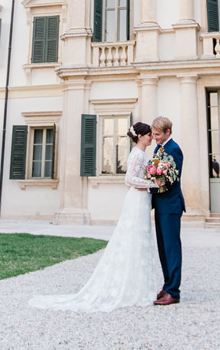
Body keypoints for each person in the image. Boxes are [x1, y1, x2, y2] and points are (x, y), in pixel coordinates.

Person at [29, 122, 162, 312]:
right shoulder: (137, 154)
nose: (151, 137)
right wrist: (154, 184)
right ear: (140, 136)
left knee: (139, 240)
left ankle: (138, 287)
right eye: (149, 134)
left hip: (140, 199)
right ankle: (133, 288)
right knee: (133, 238)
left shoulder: (142, 154)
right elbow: (129, 179)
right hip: (137, 199)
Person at [151, 115, 184, 305]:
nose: (155, 138)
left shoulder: (174, 149)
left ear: (167, 132)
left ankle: (174, 291)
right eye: (153, 135)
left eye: (157, 134)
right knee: (163, 248)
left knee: (172, 248)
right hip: (160, 205)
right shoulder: (159, 148)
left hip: (171, 205)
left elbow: (173, 179)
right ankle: (167, 284)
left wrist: (152, 183)